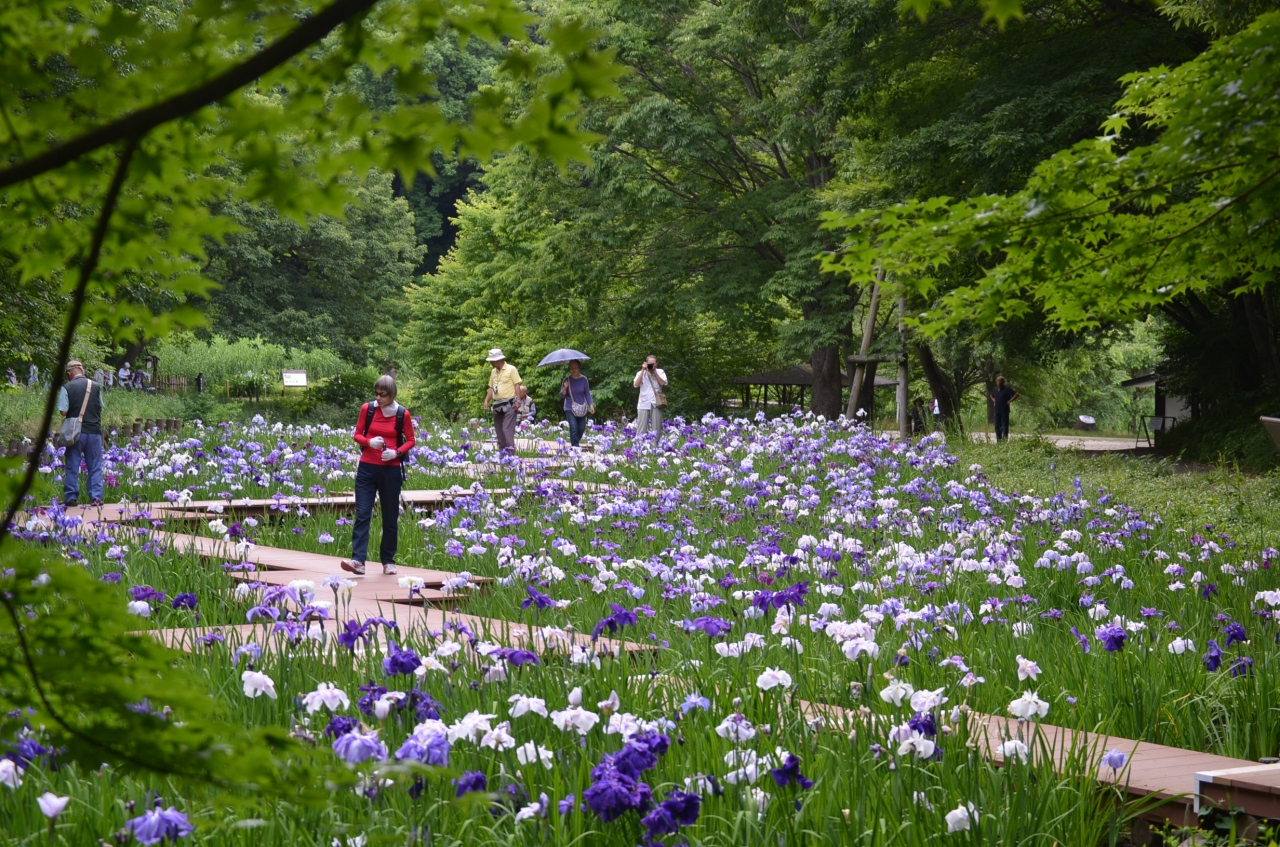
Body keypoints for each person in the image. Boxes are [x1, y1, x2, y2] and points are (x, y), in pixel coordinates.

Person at [340, 374, 415, 577]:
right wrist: (368, 442)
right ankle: (358, 561)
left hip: (390, 470)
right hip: (367, 468)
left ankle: (388, 561)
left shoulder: (402, 414)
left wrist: (396, 453)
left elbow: (410, 440)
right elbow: (357, 434)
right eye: (376, 394)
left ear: (392, 395)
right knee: (363, 513)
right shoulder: (368, 409)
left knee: (390, 517)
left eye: (383, 395)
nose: (378, 398)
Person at [57, 360, 104, 507]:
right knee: (95, 465)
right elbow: (100, 407)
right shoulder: (95, 386)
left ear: (69, 373)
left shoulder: (67, 387)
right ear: (82, 371)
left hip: (75, 433)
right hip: (95, 432)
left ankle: (71, 498)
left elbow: (63, 411)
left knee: (72, 465)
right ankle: (96, 497)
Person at [482, 348, 525, 454]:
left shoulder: (511, 369)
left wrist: (518, 401)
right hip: (497, 405)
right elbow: (492, 388)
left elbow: (517, 385)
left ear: (498, 360)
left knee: (507, 430)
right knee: (499, 432)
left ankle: (511, 456)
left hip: (510, 404)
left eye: (493, 361)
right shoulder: (493, 372)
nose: (491, 363)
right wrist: (486, 400)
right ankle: (502, 456)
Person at [560, 359, 595, 447]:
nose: (573, 370)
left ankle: (575, 443)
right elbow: (562, 395)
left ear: (579, 368)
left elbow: (587, 393)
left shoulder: (584, 379)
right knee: (574, 428)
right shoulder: (567, 380)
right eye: (571, 368)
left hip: (582, 408)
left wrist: (591, 405)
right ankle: (575, 447)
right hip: (569, 407)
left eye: (575, 367)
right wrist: (565, 388)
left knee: (581, 428)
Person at [633, 355, 667, 437]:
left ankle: (655, 447)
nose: (651, 365)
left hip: (656, 403)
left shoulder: (660, 371)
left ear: (657, 364)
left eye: (653, 363)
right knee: (641, 429)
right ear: (646, 363)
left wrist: (655, 373)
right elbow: (636, 384)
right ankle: (640, 447)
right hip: (643, 403)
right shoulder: (641, 372)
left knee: (657, 429)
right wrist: (642, 370)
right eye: (649, 363)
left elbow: (663, 383)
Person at [990, 375, 1019, 442]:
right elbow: (991, 395)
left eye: (1000, 380)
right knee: (997, 426)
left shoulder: (1007, 389)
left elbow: (1016, 394)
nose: (999, 382)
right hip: (997, 410)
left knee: (1004, 426)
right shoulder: (995, 389)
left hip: (1004, 410)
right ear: (996, 382)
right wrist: (994, 400)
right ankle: (999, 441)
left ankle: (1005, 440)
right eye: (998, 380)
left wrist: (1009, 401)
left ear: (1003, 382)